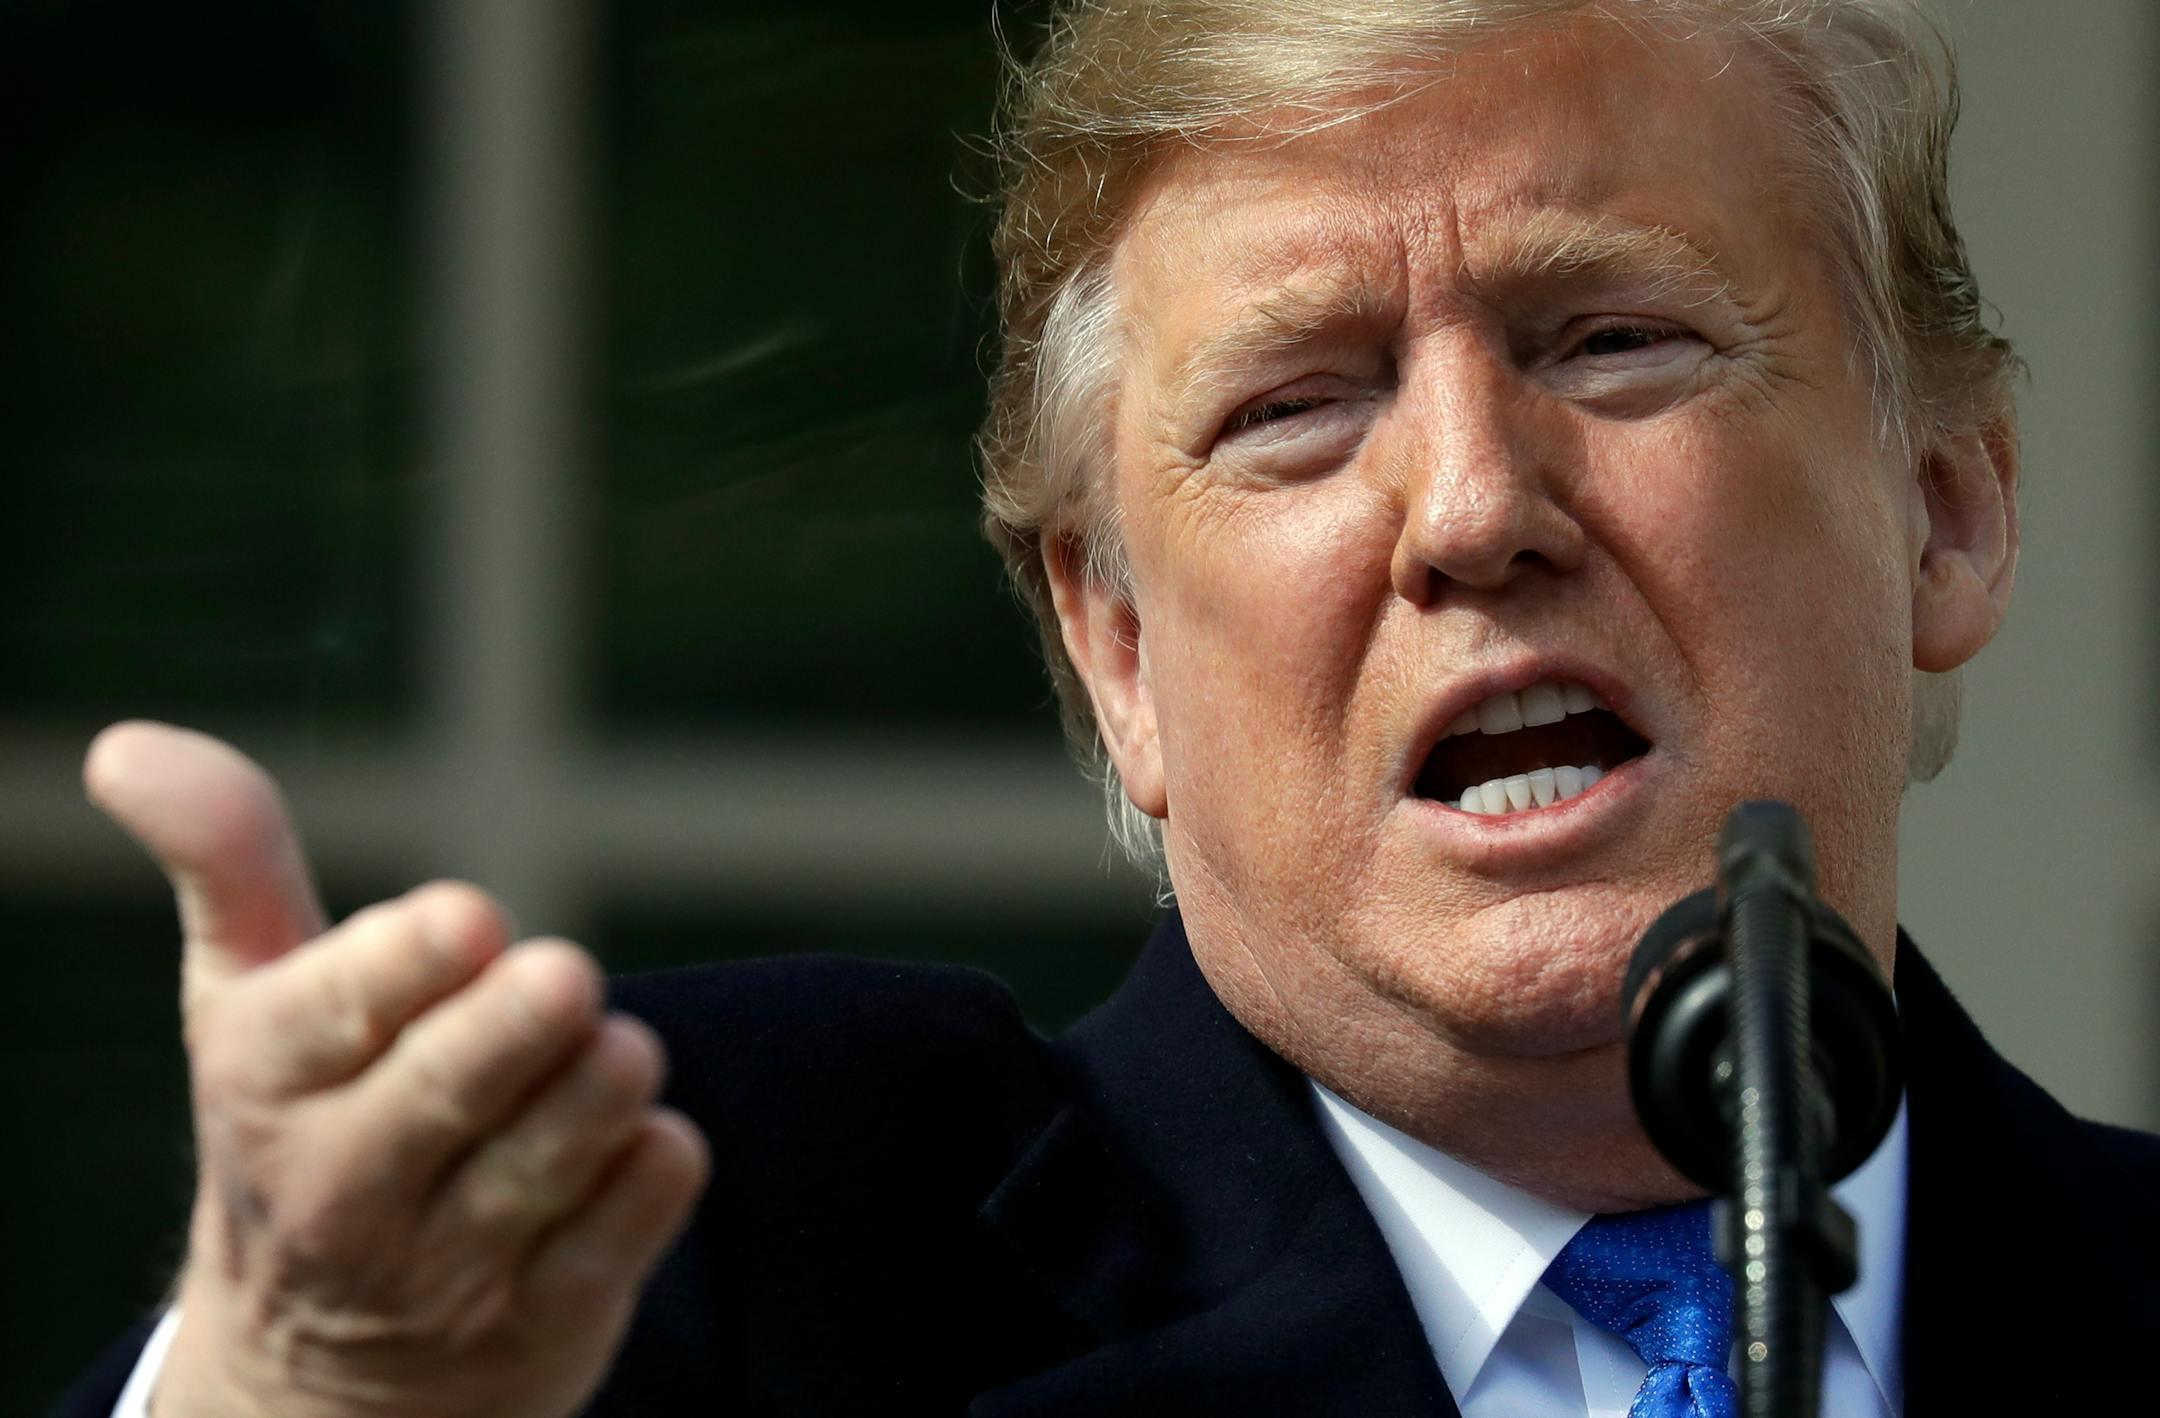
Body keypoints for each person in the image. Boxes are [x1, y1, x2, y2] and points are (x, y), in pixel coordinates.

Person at [55, 2, 2160, 1415]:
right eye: (1295, 408)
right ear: (1121, 653)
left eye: (1612, 338)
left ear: (1946, 510)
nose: (1472, 507)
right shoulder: (699, 1251)